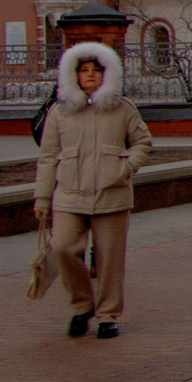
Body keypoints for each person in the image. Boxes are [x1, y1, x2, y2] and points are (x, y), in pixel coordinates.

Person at [32, 41, 153, 340]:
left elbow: (143, 143)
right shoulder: (60, 112)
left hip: (112, 195)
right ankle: (81, 306)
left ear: (106, 74)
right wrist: (42, 197)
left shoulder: (122, 108)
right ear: (73, 75)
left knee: (110, 258)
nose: (89, 76)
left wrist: (124, 169)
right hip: (69, 195)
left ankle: (108, 315)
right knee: (62, 248)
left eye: (95, 71)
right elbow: (47, 157)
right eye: (83, 70)